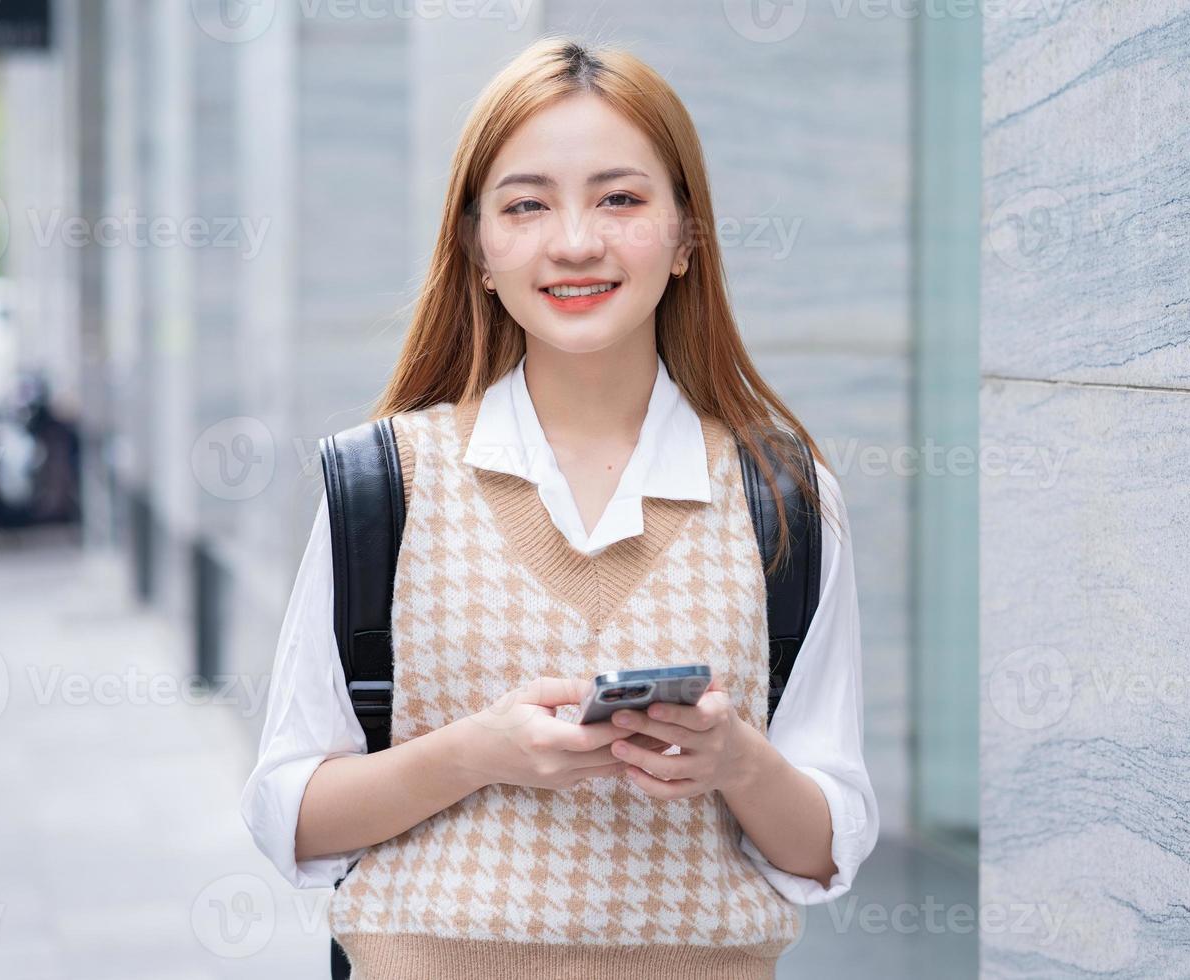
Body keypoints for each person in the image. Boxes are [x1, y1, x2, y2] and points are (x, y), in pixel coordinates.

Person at [241, 34, 878, 979]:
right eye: (527, 204)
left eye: (621, 199)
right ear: (479, 249)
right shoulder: (388, 485)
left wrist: (735, 760)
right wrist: (476, 753)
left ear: (686, 238)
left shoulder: (780, 497)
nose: (576, 241)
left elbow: (826, 850)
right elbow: (287, 814)